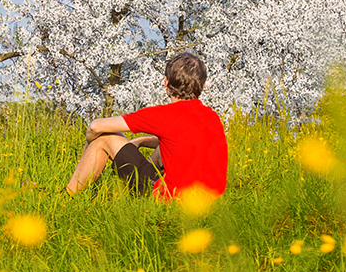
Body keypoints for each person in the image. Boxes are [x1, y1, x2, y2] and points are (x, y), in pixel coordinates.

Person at [64, 51, 228, 202]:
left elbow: (95, 127)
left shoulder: (165, 114)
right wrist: (142, 141)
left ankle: (67, 197)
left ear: (166, 82)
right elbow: (182, 143)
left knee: (104, 137)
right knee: (162, 150)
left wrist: (88, 146)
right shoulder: (211, 117)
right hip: (207, 204)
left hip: (171, 199)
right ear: (203, 86)